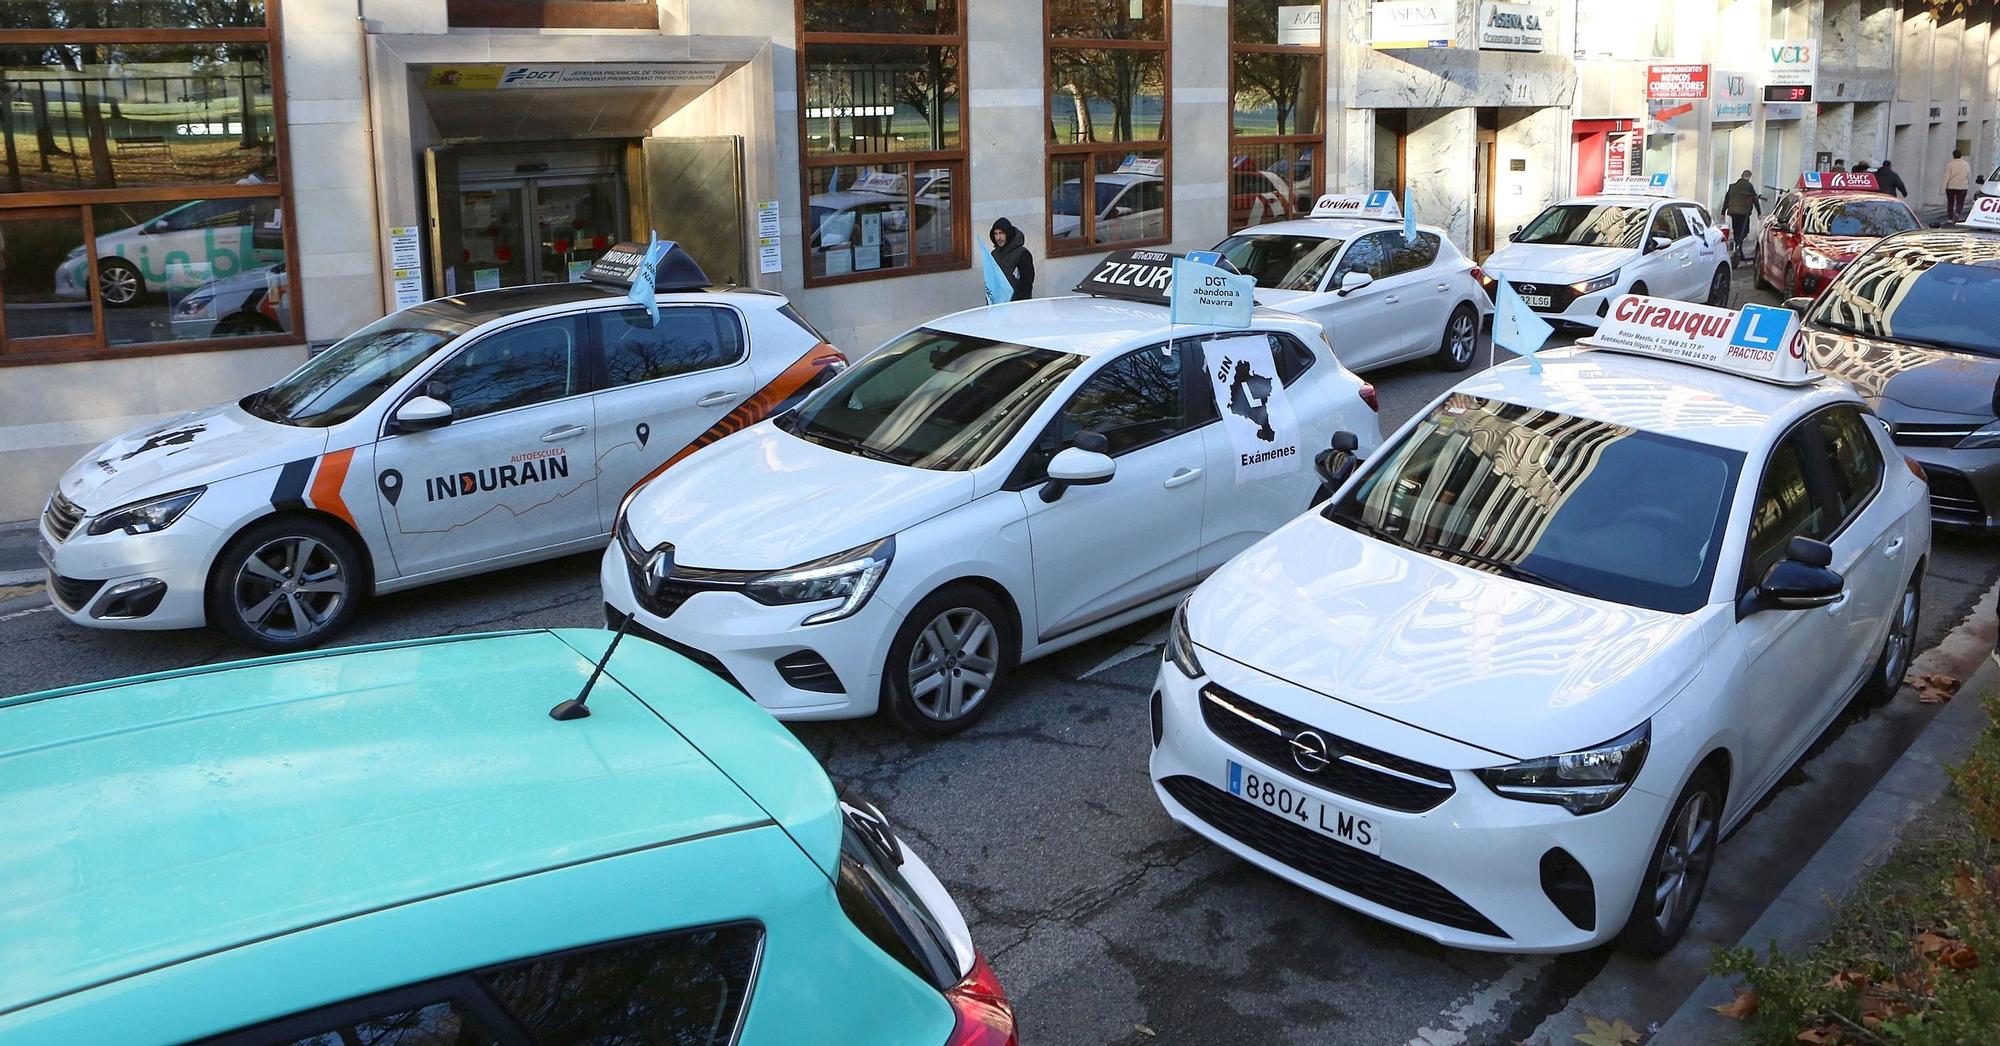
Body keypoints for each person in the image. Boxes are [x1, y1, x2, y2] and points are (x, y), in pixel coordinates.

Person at [987, 217, 1033, 301]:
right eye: (995, 234)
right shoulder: (994, 255)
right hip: (998, 302)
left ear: (1008, 233)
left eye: (1001, 233)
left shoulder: (1022, 254)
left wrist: (1016, 300)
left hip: (1017, 304)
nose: (998, 238)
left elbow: (1027, 283)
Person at [1723, 169, 1763, 265]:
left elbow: (1726, 199)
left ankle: (1738, 250)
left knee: (1737, 231)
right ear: (1749, 177)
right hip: (1744, 213)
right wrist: (1759, 213)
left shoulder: (1732, 186)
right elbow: (1755, 199)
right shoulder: (1748, 186)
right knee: (1744, 231)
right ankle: (1738, 250)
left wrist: (1722, 212)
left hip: (1733, 213)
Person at [1945, 150, 1973, 221]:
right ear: (1961, 155)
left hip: (1951, 186)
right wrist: (1968, 183)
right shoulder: (1966, 164)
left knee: (1950, 202)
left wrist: (1943, 187)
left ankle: (1950, 218)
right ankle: (1957, 213)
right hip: (1962, 186)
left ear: (1953, 155)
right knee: (1960, 202)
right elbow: (1969, 175)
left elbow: (1946, 177)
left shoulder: (1950, 165)